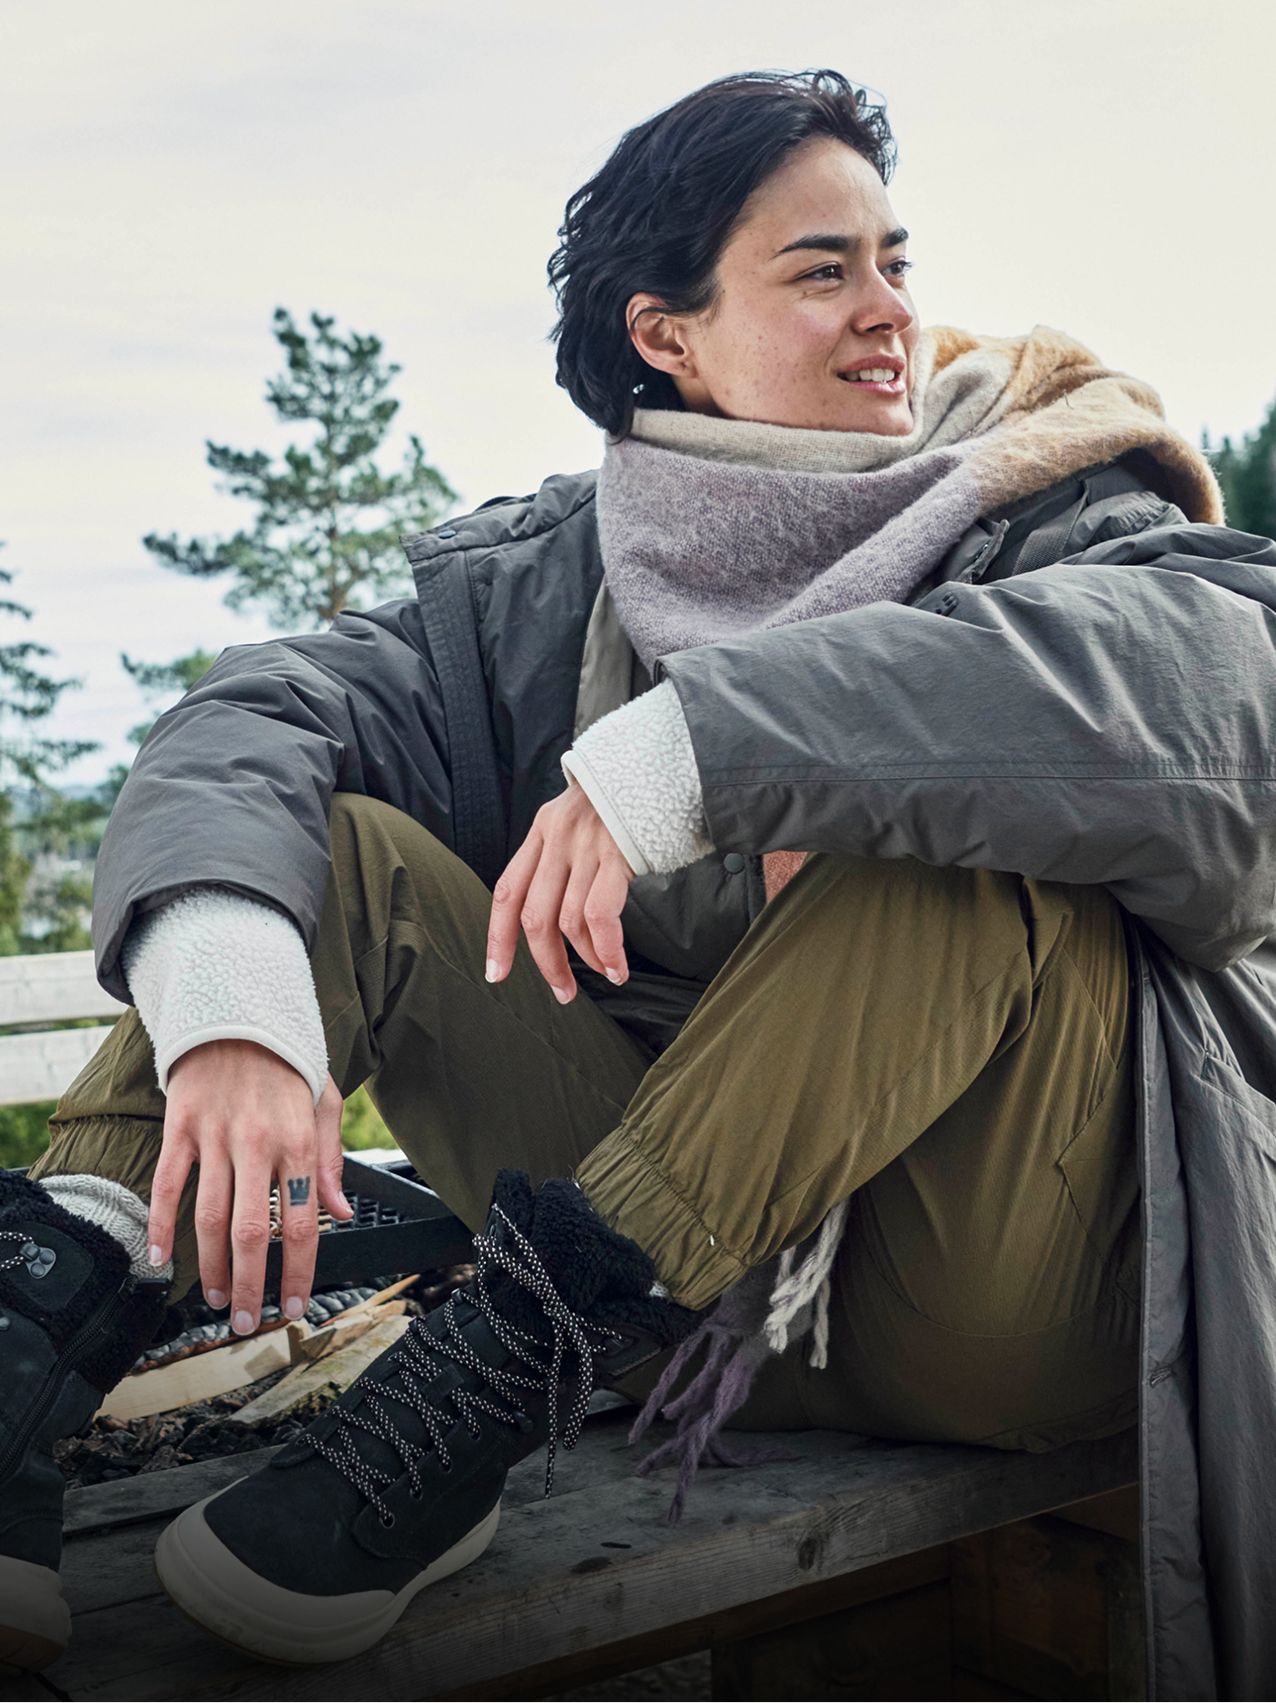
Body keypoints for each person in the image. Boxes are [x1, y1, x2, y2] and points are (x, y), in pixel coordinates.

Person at [2, 67, 1274, 1695]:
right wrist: (235, 1014)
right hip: (667, 1306)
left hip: (997, 1297)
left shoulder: (1052, 509)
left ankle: (507, 1361)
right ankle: (36, 1344)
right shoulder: (548, 589)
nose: (891, 312)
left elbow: (1227, 690)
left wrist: (700, 746)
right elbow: (252, 720)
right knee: (323, 844)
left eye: (895, 259)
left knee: (963, 822)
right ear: (663, 331)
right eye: (824, 271)